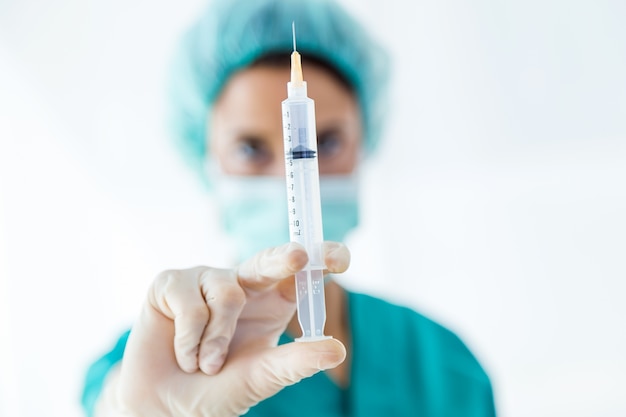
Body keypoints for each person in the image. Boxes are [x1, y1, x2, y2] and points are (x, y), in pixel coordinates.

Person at [82, 0, 497, 416]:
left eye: (329, 142)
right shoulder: (156, 361)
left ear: (365, 142)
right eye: (249, 148)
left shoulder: (444, 365)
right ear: (207, 161)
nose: (288, 178)